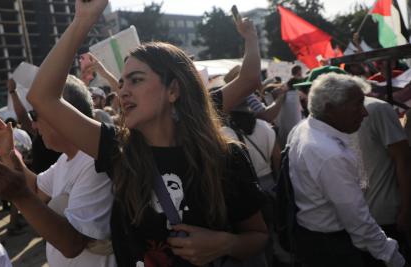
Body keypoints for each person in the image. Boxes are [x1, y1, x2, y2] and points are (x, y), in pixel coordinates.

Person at [22, 0, 267, 266]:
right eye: (122, 82)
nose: (123, 90)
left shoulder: (226, 156)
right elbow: (42, 97)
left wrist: (225, 243)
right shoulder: (117, 149)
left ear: (173, 90)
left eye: (136, 80)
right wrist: (82, 21)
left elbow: (258, 236)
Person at [0, 75, 115, 266]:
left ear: (62, 114)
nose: (33, 124)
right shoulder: (67, 158)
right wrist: (8, 153)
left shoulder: (93, 162)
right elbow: (38, 189)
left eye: (36, 115)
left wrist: (19, 196)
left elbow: (72, 244)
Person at [287, 73, 406, 267]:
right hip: (333, 247)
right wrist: (395, 258)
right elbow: (359, 224)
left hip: (317, 241)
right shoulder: (328, 153)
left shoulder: (305, 128)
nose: (365, 113)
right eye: (358, 104)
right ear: (330, 109)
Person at [356, 97, 411, 264]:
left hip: (385, 215)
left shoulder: (377, 110)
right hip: (361, 216)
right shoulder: (319, 121)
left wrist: (407, 208)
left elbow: (403, 159)